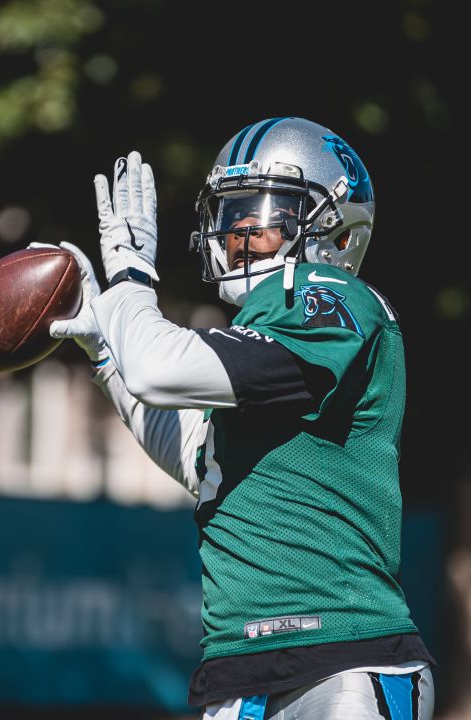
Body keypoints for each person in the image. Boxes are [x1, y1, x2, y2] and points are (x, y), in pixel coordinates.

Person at [44, 117, 435, 720]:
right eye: (232, 215)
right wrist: (104, 353)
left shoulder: (330, 295)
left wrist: (129, 281)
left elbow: (157, 369)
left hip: (341, 654)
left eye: (263, 215)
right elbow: (198, 456)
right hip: (238, 667)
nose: (239, 233)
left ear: (335, 224)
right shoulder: (267, 341)